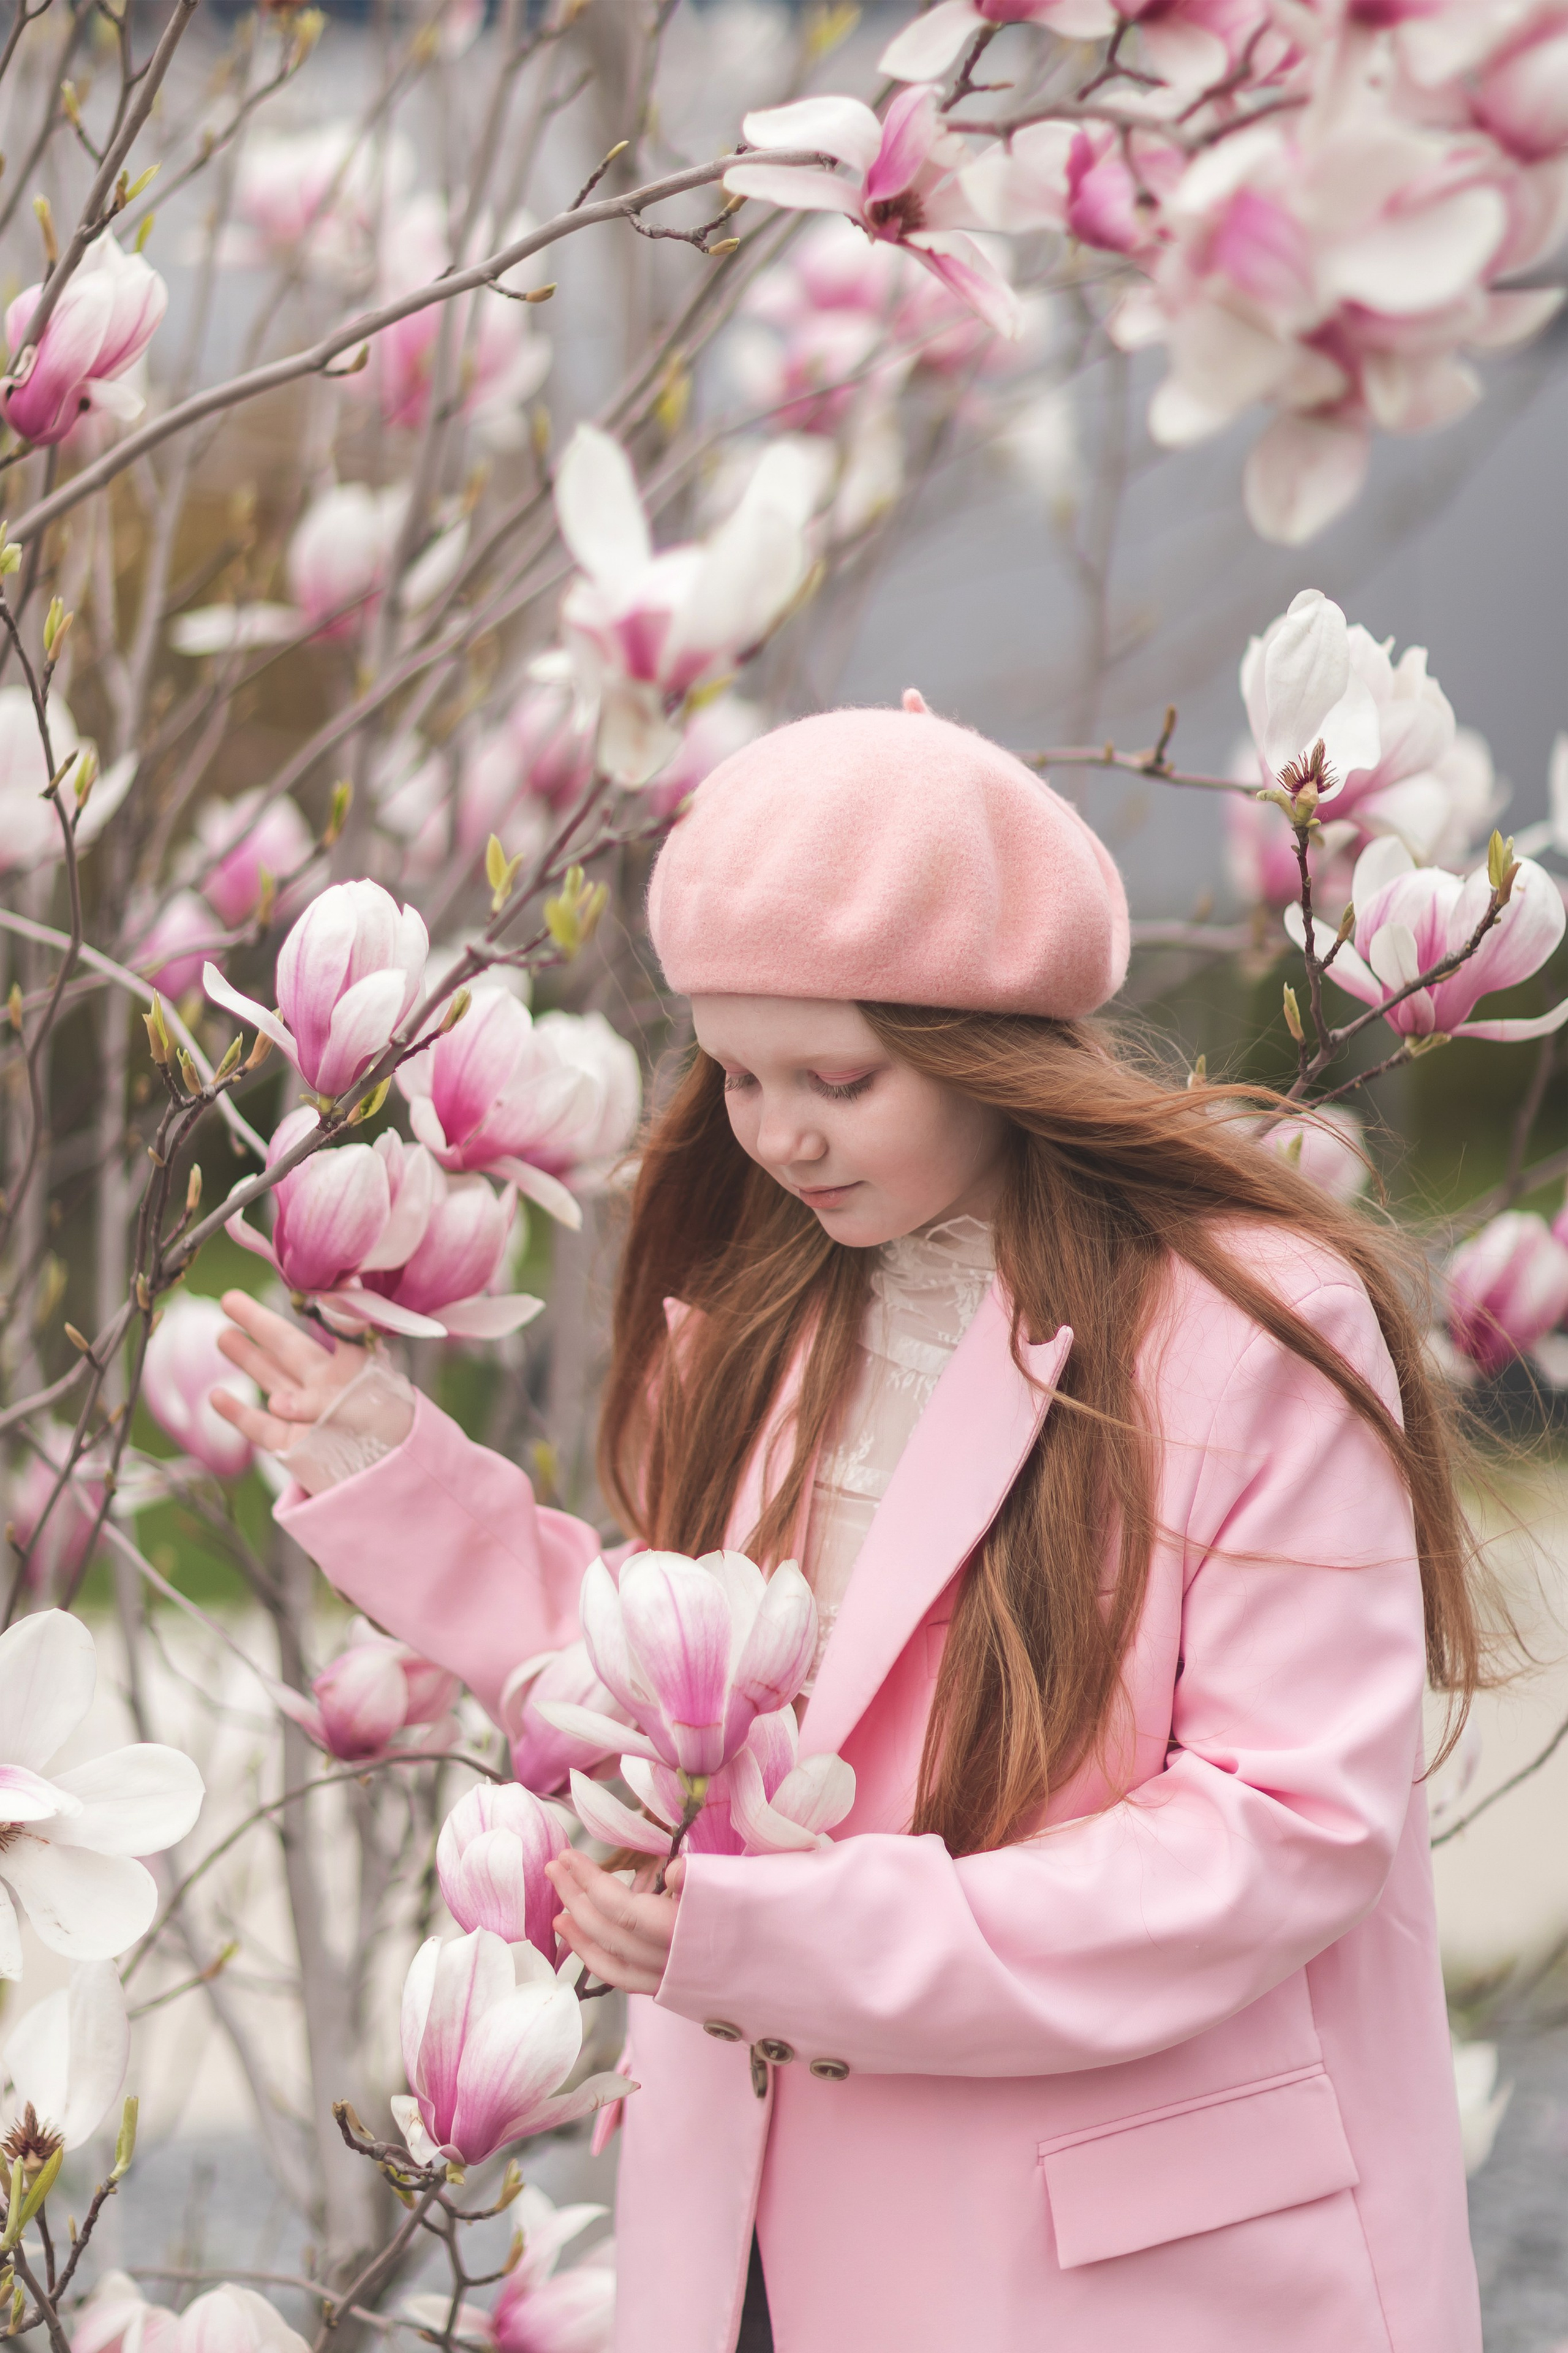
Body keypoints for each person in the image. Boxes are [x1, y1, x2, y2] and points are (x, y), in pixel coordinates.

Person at [214, 696, 1485, 2353]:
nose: (778, 1132)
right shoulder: (772, 1311)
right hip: (752, 2231)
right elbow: (699, 1695)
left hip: (1115, 2277)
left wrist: (797, 1938)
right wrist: (407, 1485)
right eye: (737, 1071)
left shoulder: (1247, 1327)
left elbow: (1278, 1834)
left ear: (995, 1040)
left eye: (838, 1074)